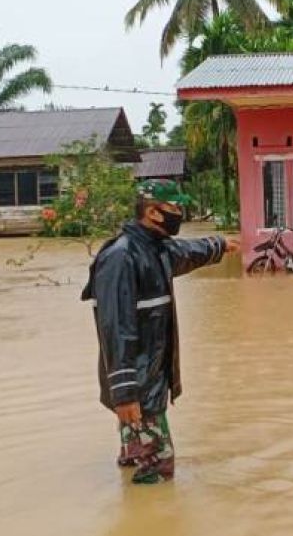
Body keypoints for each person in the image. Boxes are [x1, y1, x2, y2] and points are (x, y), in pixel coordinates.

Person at [81, 179, 239, 484]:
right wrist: (125, 392)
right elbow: (115, 328)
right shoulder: (121, 257)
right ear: (153, 213)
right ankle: (145, 522)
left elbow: (187, 252)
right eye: (175, 207)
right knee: (159, 470)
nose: (180, 212)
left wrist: (219, 245)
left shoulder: (154, 249)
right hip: (136, 383)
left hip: (149, 377)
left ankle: (133, 484)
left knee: (135, 458)